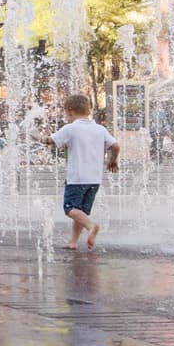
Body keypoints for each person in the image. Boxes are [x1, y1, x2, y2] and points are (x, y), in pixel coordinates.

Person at [44, 94, 119, 250]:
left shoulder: (71, 128)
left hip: (77, 178)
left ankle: (91, 227)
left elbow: (50, 141)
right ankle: (73, 242)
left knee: (70, 209)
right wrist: (113, 161)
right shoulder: (100, 129)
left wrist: (37, 136)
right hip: (94, 179)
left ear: (70, 111)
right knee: (80, 212)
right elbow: (116, 146)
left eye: (66, 114)